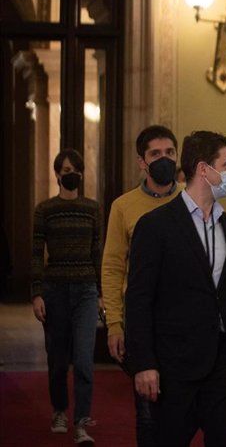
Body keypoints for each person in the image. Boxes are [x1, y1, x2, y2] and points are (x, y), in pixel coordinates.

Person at [125, 130, 226, 446]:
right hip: (174, 366)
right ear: (203, 169)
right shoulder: (156, 226)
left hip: (223, 366)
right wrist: (143, 363)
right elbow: (140, 299)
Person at [101, 124, 180, 446]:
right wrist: (115, 324)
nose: (164, 159)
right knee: (147, 408)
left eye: (170, 153)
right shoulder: (124, 206)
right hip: (141, 320)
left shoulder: (191, 199)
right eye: (156, 154)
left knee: (181, 410)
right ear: (142, 162)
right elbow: (113, 267)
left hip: (182, 321)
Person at [31, 149, 101, 444]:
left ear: (80, 175)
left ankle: (81, 421)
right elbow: (36, 254)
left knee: (85, 359)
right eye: (67, 169)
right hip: (55, 289)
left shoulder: (92, 208)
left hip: (85, 290)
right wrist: (36, 293)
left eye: (76, 169)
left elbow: (97, 251)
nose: (71, 174)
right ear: (58, 173)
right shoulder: (44, 210)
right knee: (58, 359)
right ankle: (59, 409)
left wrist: (100, 294)